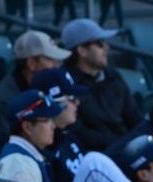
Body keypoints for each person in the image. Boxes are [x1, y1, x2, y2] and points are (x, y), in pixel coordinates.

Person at [0, 31, 71, 162]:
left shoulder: (39, 90)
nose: (56, 66)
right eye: (49, 59)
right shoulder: (3, 100)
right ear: (31, 63)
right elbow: (10, 151)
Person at [61, 18, 142, 152]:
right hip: (95, 156)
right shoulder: (65, 83)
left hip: (126, 151)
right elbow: (79, 133)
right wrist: (123, 143)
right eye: (99, 44)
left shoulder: (113, 76)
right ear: (82, 50)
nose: (106, 48)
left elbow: (134, 117)